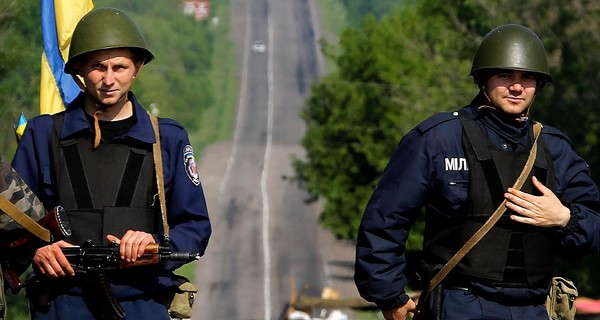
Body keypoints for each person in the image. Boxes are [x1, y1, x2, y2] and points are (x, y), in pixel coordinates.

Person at [354, 24, 600, 320]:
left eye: (528, 78)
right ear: (483, 79)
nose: (517, 87)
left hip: (534, 308)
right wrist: (390, 295)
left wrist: (565, 218)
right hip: (460, 304)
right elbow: (385, 220)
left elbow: (595, 227)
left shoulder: (556, 149)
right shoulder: (439, 139)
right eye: (505, 75)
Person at [11, 7, 211, 319]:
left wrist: (155, 244)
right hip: (60, 303)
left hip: (145, 303)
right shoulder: (42, 134)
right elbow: (10, 226)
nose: (108, 79)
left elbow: (196, 228)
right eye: (97, 67)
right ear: (78, 69)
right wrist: (37, 251)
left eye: (119, 67)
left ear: (137, 68)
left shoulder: (167, 139)